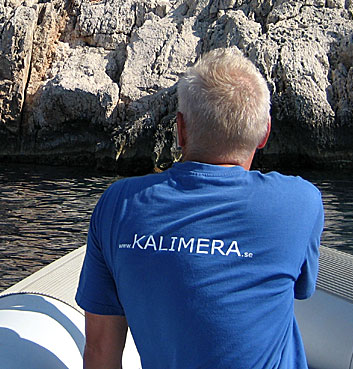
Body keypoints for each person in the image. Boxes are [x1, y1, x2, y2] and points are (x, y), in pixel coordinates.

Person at [75, 47, 323, 369]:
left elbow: (100, 353)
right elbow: (301, 289)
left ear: (180, 129)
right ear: (264, 133)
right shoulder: (300, 202)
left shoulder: (117, 205)